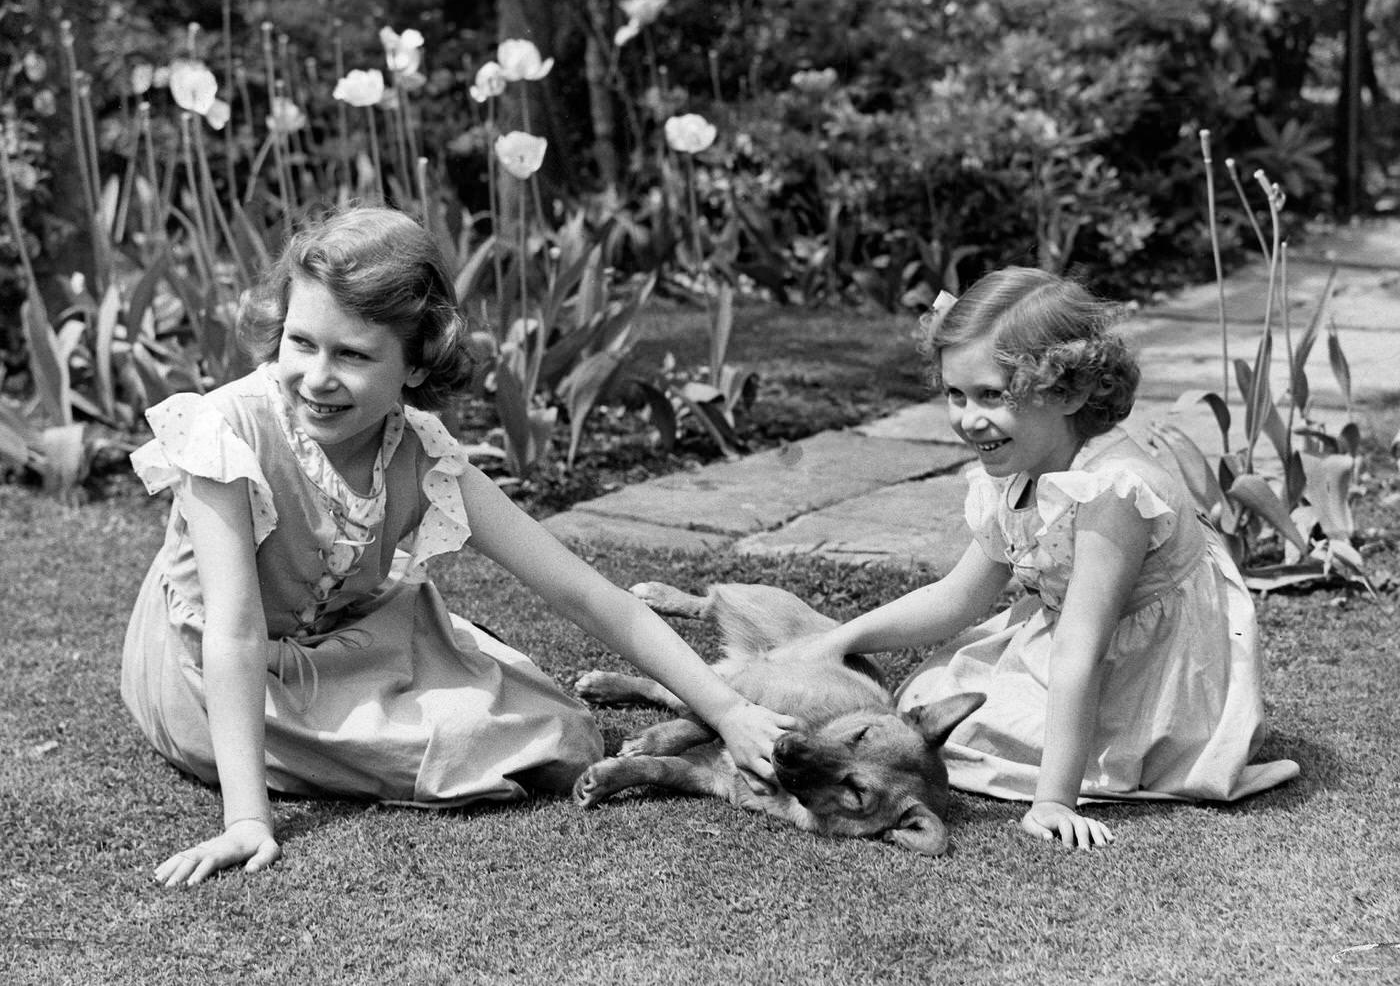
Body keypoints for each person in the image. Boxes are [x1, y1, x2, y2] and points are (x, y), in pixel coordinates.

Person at [121, 205, 797, 887]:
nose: (317, 377)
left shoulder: (420, 452)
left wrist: (729, 710)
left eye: (352, 354)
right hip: (211, 671)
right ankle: (347, 730)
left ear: (416, 366)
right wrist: (247, 819)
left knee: (562, 733)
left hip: (339, 635)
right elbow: (233, 632)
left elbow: (584, 593)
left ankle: (401, 694)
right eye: (301, 343)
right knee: (472, 744)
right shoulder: (224, 432)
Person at [788, 266, 1299, 850]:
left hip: (1151, 670)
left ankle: (1134, 755)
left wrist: (1055, 799)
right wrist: (837, 641)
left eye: (992, 396)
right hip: (1070, 639)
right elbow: (958, 598)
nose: (967, 418)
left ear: (1072, 393)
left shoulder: (1113, 493)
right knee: (926, 704)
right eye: (956, 394)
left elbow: (1083, 648)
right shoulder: (1020, 468)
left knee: (967, 736)